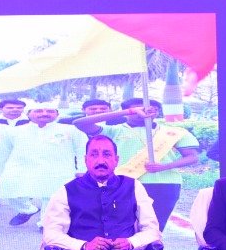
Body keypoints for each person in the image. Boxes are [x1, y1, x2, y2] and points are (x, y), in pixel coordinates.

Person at [75, 97, 202, 235]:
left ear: (156, 111)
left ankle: (153, 247)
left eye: (150, 109)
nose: (144, 112)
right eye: (138, 109)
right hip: (123, 182)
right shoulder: (113, 131)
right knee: (121, 222)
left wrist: (164, 166)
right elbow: (80, 123)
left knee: (156, 223)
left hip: (164, 183)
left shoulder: (173, 132)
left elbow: (192, 157)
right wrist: (129, 111)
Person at [0, 101, 81, 226]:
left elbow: (82, 150)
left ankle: (45, 224)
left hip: (58, 168)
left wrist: (82, 169)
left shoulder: (71, 130)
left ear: (57, 114)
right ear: (28, 114)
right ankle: (27, 210)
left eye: (50, 111)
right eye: (39, 111)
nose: (44, 113)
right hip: (20, 168)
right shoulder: (13, 131)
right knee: (9, 190)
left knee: (51, 197)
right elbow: (1, 152)